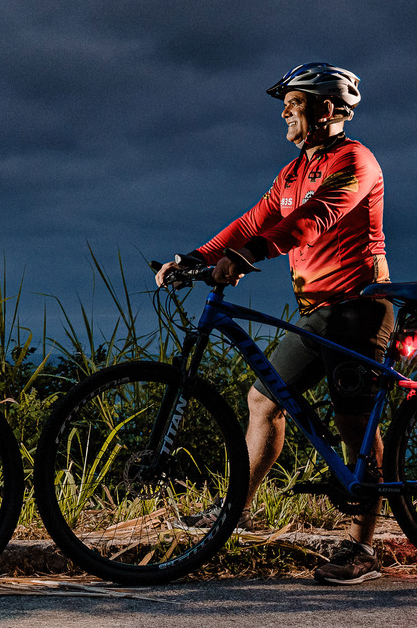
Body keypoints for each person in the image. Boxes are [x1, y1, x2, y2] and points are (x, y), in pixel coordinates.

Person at [155, 62, 393, 585]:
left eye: (295, 100)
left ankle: (363, 549)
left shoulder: (357, 160)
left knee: (356, 423)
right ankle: (233, 513)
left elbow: (314, 220)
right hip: (318, 314)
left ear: (326, 108)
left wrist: (248, 257)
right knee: (264, 399)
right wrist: (195, 256)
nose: (284, 108)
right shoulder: (291, 172)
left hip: (357, 310)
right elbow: (254, 219)